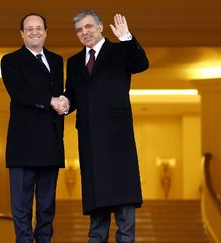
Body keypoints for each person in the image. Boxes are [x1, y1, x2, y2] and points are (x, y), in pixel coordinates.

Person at [64, 9, 149, 243]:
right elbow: (73, 94)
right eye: (79, 30)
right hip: (90, 138)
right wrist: (65, 102)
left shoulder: (120, 51)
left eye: (89, 27)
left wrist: (126, 37)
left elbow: (141, 64)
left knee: (123, 197)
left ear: (100, 27)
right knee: (96, 200)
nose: (85, 33)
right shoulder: (73, 62)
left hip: (117, 137)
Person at [0, 13, 69, 243]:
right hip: (24, 146)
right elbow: (19, 93)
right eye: (29, 29)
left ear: (46, 32)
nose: (34, 32)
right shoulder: (10, 61)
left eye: (39, 27)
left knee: (47, 207)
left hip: (51, 144)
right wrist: (50, 100)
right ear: (22, 34)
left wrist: (65, 102)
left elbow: (61, 93)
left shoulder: (57, 60)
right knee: (21, 207)